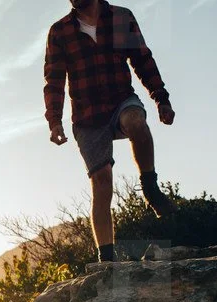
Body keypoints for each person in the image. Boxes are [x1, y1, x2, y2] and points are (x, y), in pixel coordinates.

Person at [44, 0, 177, 263]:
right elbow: (54, 79)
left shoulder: (120, 17)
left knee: (136, 121)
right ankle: (106, 260)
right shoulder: (60, 32)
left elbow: (142, 58)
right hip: (87, 117)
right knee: (102, 181)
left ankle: (150, 188)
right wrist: (54, 120)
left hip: (120, 101)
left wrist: (160, 97)